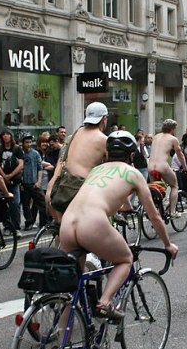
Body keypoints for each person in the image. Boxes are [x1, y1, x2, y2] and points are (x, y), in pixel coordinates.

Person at [59, 132, 178, 320]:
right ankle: (104, 302)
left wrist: (125, 207)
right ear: (131, 155)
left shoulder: (96, 170)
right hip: (92, 222)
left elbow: (108, 195)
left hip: (67, 221)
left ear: (107, 154)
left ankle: (61, 337)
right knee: (125, 259)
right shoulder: (133, 174)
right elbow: (154, 216)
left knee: (72, 285)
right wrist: (168, 244)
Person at [45, 102, 110, 220]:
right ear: (104, 119)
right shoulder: (103, 140)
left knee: (62, 227)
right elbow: (112, 166)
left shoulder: (77, 132)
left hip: (64, 185)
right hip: (82, 188)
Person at [148, 119, 187, 217]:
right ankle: (172, 212)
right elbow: (180, 155)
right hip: (162, 166)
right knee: (174, 186)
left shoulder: (156, 137)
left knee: (154, 187)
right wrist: (185, 167)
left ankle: (156, 208)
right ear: (172, 129)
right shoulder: (173, 139)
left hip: (150, 166)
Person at [0, 130, 24, 231]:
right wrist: (3, 176)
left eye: (7, 134)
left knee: (15, 204)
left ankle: (16, 227)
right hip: (2, 181)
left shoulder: (17, 149)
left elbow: (21, 164)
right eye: (3, 134)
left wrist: (10, 175)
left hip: (14, 181)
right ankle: (7, 226)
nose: (5, 136)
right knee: (3, 205)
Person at [21, 133, 47, 229]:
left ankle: (44, 223)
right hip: (24, 183)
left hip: (34, 183)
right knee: (26, 205)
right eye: (26, 142)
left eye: (30, 142)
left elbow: (39, 168)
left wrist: (39, 181)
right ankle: (29, 222)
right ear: (22, 143)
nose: (28, 144)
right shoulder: (20, 153)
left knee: (42, 202)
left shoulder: (35, 153)